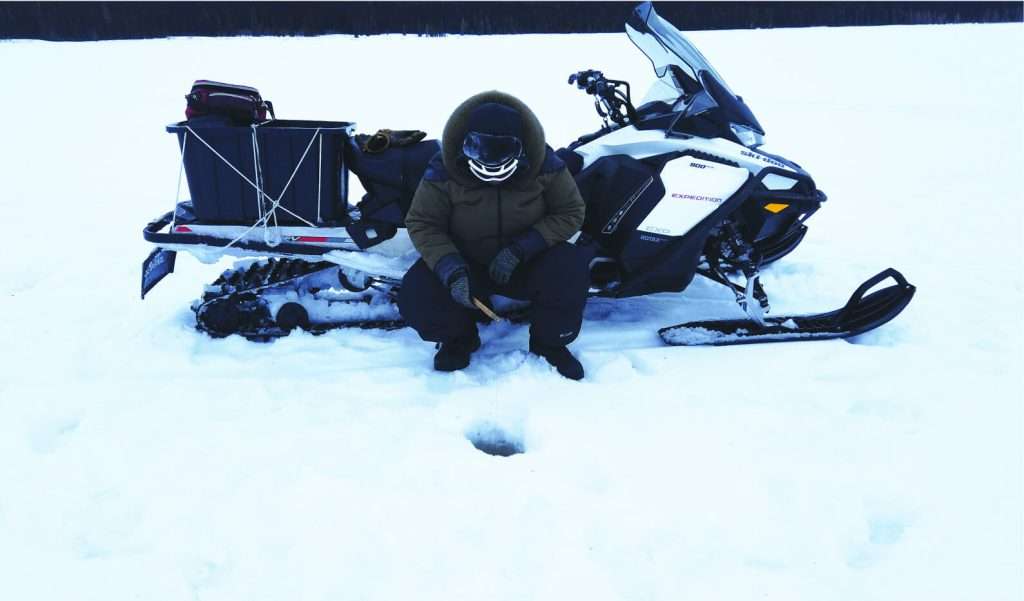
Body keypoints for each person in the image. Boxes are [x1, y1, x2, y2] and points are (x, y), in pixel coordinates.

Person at [398, 91, 591, 380]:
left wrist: (523, 248)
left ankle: (549, 343)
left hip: (527, 260)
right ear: (466, 143)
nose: (489, 160)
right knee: (416, 293)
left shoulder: (546, 165)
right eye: (479, 148)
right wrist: (451, 268)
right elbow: (423, 222)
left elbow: (571, 211)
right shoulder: (443, 169)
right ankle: (459, 338)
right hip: (467, 262)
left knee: (569, 266)